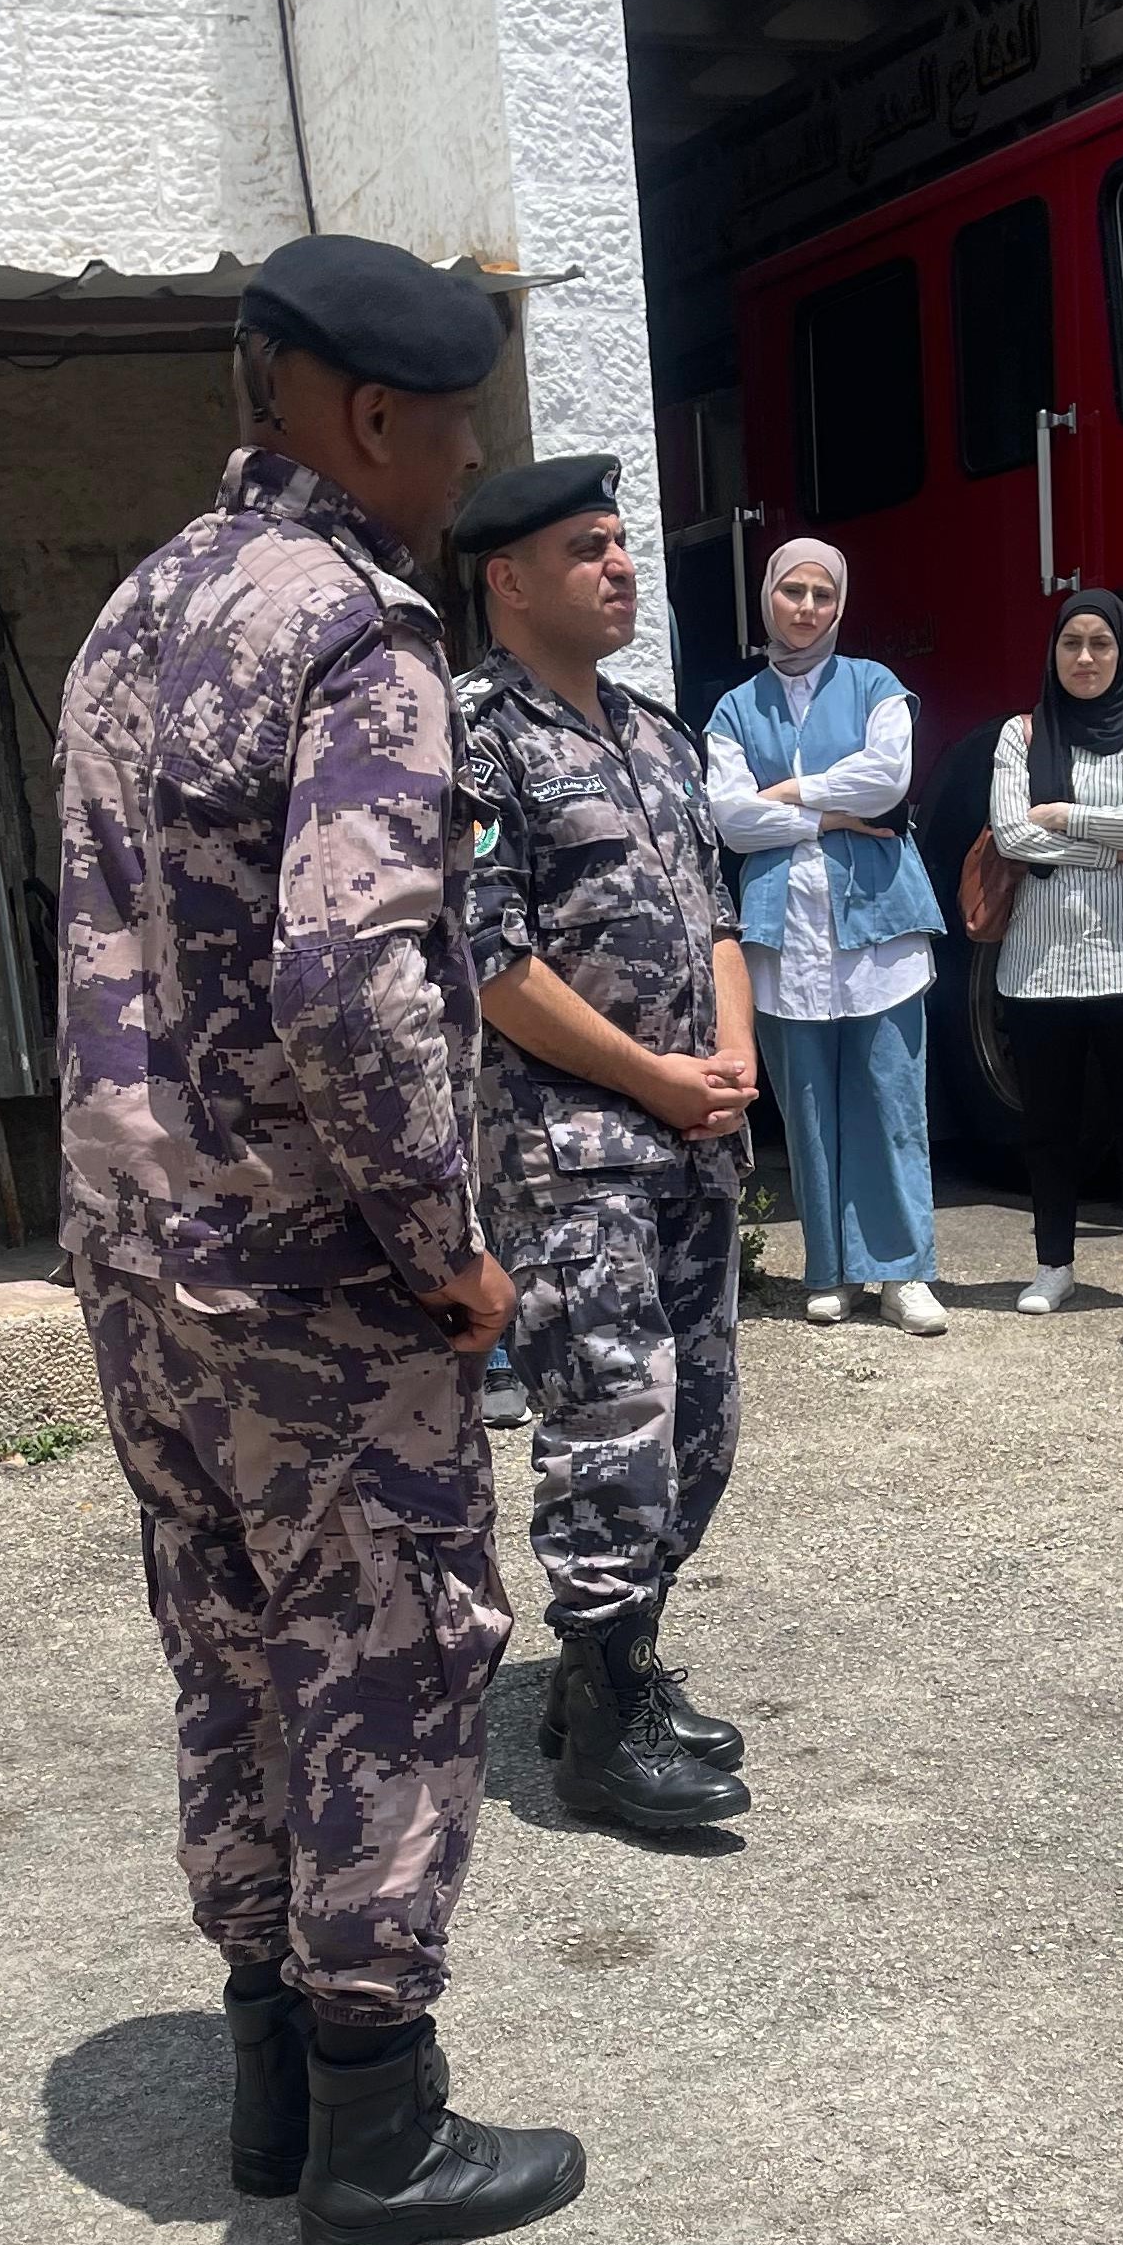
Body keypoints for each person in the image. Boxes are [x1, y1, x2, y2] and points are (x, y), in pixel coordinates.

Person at [56, 232, 584, 2245]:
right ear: (371, 418)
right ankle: (380, 2128)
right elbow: (352, 982)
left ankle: (270, 2071)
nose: (464, 471)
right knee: (384, 1649)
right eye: (454, 433)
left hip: (139, 1249)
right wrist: (443, 1246)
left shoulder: (138, 608)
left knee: (226, 1641)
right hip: (307, 1266)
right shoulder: (358, 629)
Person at [453, 451, 758, 1838]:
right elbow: (490, 961)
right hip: (573, 1155)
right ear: (510, 581)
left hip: (693, 1142)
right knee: (609, 1425)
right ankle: (603, 1726)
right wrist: (655, 1080)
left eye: (624, 542)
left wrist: (732, 1057)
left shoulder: (656, 733)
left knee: (699, 1426)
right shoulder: (477, 737)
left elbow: (718, 916)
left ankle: (609, 1674)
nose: (624, 565)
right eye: (588, 547)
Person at [706, 540, 949, 1334]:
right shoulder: (734, 708)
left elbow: (888, 780)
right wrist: (828, 818)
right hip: (784, 933)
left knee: (890, 1098)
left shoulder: (876, 684)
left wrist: (791, 791)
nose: (807, 607)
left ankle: (903, 1271)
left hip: (878, 923)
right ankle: (832, 1270)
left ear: (839, 605)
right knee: (808, 1106)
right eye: (793, 591)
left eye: (822, 594)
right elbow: (730, 819)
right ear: (768, 598)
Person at [984, 590, 1123, 1322]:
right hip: (1039, 966)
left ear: (1122, 652)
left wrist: (1067, 816)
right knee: (1049, 1125)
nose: (1084, 658)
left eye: (1100, 644)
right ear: (1053, 653)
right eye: (1070, 643)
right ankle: (1054, 1265)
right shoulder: (1020, 735)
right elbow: (1012, 834)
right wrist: (1108, 850)